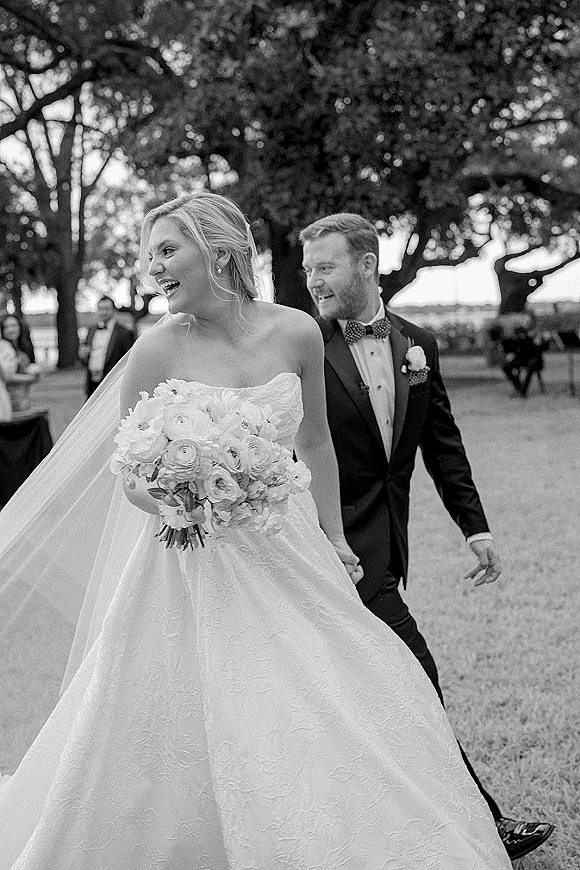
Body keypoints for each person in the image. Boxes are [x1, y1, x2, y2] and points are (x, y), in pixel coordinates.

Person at [0, 192, 512, 869]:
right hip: (188, 564)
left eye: (166, 250)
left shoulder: (296, 332)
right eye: (148, 254)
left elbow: (318, 444)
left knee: (322, 691)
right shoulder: (154, 352)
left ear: (219, 251)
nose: (152, 268)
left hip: (287, 549)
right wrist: (186, 500)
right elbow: (129, 475)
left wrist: (334, 537)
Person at [299, 212, 554, 862]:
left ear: (365, 264)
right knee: (415, 682)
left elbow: (441, 443)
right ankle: (484, 827)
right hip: (323, 555)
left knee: (371, 698)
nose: (312, 280)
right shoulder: (300, 347)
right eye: (307, 268)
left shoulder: (418, 345)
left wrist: (477, 528)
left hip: (384, 550)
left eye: (324, 265)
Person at [78, 295, 135, 397]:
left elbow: (128, 362)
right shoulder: (91, 330)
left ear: (114, 310)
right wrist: (83, 356)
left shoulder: (125, 333)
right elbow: (86, 360)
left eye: (106, 309)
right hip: (92, 383)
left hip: (112, 384)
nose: (103, 312)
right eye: (100, 309)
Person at [0, 314, 40, 413]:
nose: (11, 330)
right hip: (10, 399)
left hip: (22, 397)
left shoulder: (19, 347)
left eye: (14, 325)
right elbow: (7, 376)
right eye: (6, 327)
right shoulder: (5, 348)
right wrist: (31, 378)